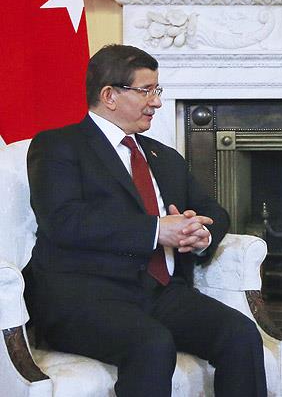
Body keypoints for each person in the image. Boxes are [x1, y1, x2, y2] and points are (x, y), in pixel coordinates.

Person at [24, 44, 267, 397]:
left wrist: (200, 233)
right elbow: (63, 221)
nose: (156, 102)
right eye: (146, 91)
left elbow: (214, 211)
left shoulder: (163, 156)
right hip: (85, 297)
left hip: (160, 293)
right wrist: (156, 230)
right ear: (109, 95)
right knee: (153, 343)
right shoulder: (58, 146)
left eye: (157, 90)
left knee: (240, 333)